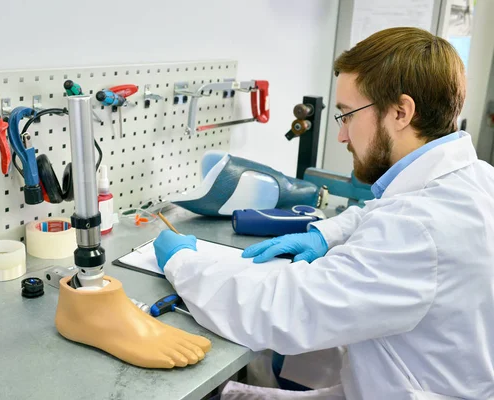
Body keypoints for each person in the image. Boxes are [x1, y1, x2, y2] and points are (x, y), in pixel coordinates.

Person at [152, 26, 494, 400]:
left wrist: (184, 262)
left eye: (347, 115)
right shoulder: (476, 179)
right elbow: (384, 212)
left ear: (401, 112)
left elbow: (277, 311)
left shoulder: (417, 230)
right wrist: (325, 234)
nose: (342, 136)